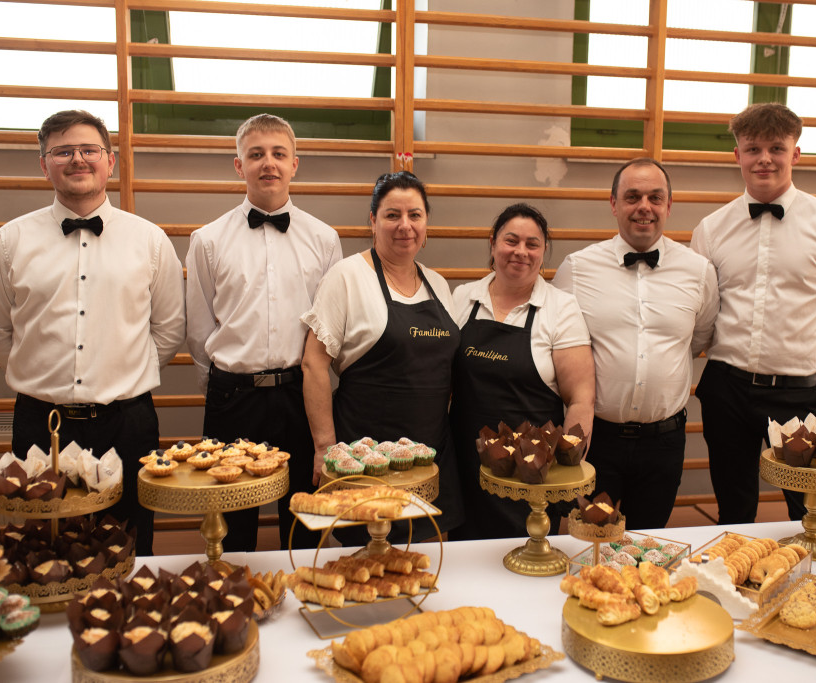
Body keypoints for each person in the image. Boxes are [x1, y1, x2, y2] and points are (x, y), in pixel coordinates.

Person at [0, 109, 185, 556]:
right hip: (40, 423)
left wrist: (120, 375)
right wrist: (41, 374)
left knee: (128, 549)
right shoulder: (11, 240)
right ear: (44, 163)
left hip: (127, 424)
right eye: (63, 151)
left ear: (110, 161)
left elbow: (168, 331)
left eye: (89, 150)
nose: (78, 159)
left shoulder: (149, 239)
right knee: (43, 552)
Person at [691, 103, 816, 524]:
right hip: (726, 388)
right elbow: (699, 316)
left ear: (796, 154)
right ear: (737, 155)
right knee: (734, 506)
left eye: (776, 147)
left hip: (798, 392)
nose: (764, 158)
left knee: (814, 511)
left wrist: (812, 370)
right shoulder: (711, 229)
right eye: (753, 149)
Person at [186, 114, 342, 551]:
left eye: (278, 153)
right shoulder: (208, 240)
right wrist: (221, 386)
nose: (267, 163)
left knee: (306, 524)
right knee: (232, 530)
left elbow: (328, 329)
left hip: (300, 396)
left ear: (296, 164)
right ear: (239, 166)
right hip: (233, 399)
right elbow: (199, 329)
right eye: (256, 154)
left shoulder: (325, 239)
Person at [553, 158, 718, 531]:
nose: (644, 206)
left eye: (655, 197)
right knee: (590, 544)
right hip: (598, 438)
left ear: (668, 206)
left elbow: (701, 336)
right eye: (632, 196)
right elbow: (559, 345)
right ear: (614, 204)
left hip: (665, 441)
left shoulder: (699, 270)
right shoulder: (576, 269)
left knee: (649, 545)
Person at [301, 171, 462, 540]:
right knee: (368, 562)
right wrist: (324, 447)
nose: (404, 226)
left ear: (426, 223)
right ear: (372, 220)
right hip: (365, 459)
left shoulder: (437, 283)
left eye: (415, 215)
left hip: (431, 456)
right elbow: (313, 364)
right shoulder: (346, 277)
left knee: (425, 561)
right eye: (392, 215)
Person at [449, 203, 594, 540]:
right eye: (511, 241)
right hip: (465, 466)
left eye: (533, 244)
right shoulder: (462, 299)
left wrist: (567, 470)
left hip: (531, 475)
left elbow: (581, 398)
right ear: (492, 243)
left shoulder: (561, 308)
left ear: (543, 252)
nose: (521, 252)